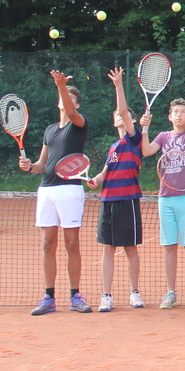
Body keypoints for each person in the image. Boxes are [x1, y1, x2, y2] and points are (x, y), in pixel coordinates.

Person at [20, 70, 92, 315]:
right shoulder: (50, 130)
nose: (66, 101)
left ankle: (75, 296)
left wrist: (61, 85)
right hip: (47, 190)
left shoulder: (78, 124)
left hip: (70, 189)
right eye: (63, 96)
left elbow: (71, 113)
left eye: (72, 98)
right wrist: (30, 167)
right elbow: (42, 164)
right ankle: (49, 297)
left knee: (72, 244)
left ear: (77, 104)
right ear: (57, 102)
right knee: (47, 243)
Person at [142, 78, 185, 309]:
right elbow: (147, 151)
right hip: (165, 199)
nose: (180, 115)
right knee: (169, 245)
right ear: (169, 117)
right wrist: (145, 127)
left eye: (182, 111)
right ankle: (170, 292)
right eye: (175, 112)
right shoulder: (162, 136)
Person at [88, 68, 147, 312]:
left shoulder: (134, 139)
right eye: (117, 116)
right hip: (107, 201)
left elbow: (123, 109)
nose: (120, 116)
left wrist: (119, 86)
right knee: (108, 249)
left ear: (131, 121)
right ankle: (107, 295)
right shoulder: (113, 147)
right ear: (114, 122)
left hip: (127, 200)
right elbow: (105, 173)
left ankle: (134, 292)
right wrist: (96, 179)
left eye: (124, 115)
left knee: (130, 248)